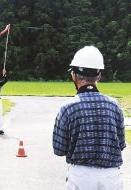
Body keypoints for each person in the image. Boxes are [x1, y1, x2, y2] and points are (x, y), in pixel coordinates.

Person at [53, 46, 126, 190]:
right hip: (111, 177)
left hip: (81, 176)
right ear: (99, 75)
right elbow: (121, 144)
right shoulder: (114, 105)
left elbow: (59, 149)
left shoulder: (67, 108)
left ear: (74, 75)